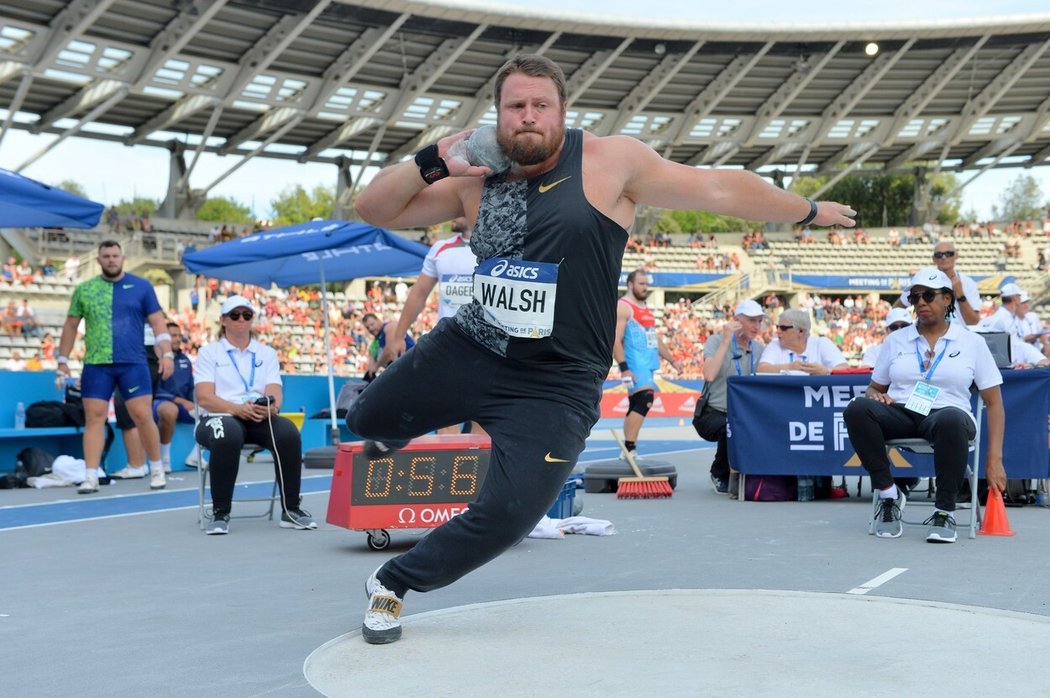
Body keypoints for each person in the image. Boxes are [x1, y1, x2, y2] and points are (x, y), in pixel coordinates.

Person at [349, 53, 855, 644]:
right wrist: (435, 159)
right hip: (472, 346)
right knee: (366, 418)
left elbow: (716, 187)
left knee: (512, 516)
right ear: (498, 115)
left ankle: (393, 583)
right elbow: (374, 209)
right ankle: (392, 424)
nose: (529, 117)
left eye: (542, 106)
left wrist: (809, 210)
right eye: (517, 107)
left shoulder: (611, 161)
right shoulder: (474, 177)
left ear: (563, 112)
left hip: (556, 381)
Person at [843, 268, 1006, 543]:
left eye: (928, 296)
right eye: (915, 297)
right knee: (857, 408)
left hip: (947, 413)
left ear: (947, 299)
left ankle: (944, 511)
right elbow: (875, 387)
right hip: (903, 411)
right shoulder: (896, 340)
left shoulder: (972, 342)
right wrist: (874, 396)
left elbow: (994, 403)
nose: (920, 302)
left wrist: (995, 459)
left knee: (950, 420)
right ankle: (888, 495)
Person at [57, 241, 174, 494]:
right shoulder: (85, 289)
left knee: (143, 416)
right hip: (97, 364)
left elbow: (158, 323)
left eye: (115, 255)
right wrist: (62, 361)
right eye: (106, 256)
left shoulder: (142, 287)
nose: (111, 260)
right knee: (94, 418)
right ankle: (90, 476)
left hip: (133, 362)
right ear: (98, 260)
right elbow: (70, 326)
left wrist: (168, 354)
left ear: (123, 258)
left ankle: (156, 468)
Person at [193, 295, 316, 535]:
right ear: (223, 320)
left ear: (252, 320)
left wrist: (271, 408)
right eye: (235, 315)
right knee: (227, 435)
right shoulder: (209, 352)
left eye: (246, 315)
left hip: (258, 416)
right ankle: (220, 512)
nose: (241, 319)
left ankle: (291, 510)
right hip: (221, 416)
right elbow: (204, 397)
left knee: (289, 433)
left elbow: (275, 391)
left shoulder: (266, 353)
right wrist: (236, 409)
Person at [379, 216, 484, 435]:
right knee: (446, 419)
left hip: (485, 348)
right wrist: (399, 336)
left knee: (483, 423)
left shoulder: (499, 244)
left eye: (459, 207)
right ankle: (453, 470)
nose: (452, 214)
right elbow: (419, 293)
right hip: (449, 347)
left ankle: (480, 470)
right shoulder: (440, 249)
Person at [692, 299, 766, 495]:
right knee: (730, 428)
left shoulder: (758, 349)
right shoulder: (716, 341)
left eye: (759, 321)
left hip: (742, 414)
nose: (756, 326)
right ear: (737, 321)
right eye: (751, 320)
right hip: (712, 412)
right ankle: (718, 473)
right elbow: (709, 374)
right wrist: (726, 340)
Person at [613, 269, 680, 462]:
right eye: (641, 284)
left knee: (636, 403)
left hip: (648, 363)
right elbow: (615, 340)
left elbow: (654, 338)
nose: (645, 287)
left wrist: (672, 360)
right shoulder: (624, 307)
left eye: (646, 284)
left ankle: (628, 450)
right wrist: (624, 367)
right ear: (630, 285)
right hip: (634, 363)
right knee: (645, 399)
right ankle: (629, 449)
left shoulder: (644, 307)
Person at [894, 241, 979, 326]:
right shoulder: (923, 281)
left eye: (949, 253)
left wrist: (960, 295)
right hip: (929, 336)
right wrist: (905, 327)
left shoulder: (968, 283)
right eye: (939, 255)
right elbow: (896, 309)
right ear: (933, 259)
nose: (944, 257)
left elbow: (973, 322)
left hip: (961, 336)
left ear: (956, 256)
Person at [153, 321, 195, 472]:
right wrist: (182, 401)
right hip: (159, 403)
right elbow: (156, 391)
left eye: (179, 336)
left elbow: (191, 389)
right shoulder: (156, 359)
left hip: (183, 406)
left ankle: (196, 455)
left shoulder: (185, 360)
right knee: (170, 410)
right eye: (173, 336)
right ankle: (164, 459)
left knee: (213, 411)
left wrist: (196, 404)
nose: (177, 339)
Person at [757, 308, 849, 374]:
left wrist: (826, 372)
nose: (778, 331)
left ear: (801, 331)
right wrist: (790, 367)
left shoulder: (821, 343)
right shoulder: (775, 345)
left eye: (783, 328)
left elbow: (844, 369)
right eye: (778, 327)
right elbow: (761, 369)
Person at [361, 312, 414, 379]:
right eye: (368, 327)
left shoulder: (390, 327)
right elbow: (371, 366)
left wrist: (376, 366)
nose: (371, 329)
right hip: (403, 368)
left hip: (412, 362)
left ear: (378, 320)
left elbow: (389, 350)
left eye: (372, 324)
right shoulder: (375, 343)